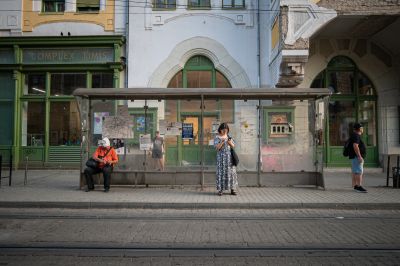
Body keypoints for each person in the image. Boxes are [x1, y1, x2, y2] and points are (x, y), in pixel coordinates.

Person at [214, 122, 238, 196]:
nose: (225, 131)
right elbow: (217, 148)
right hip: (221, 159)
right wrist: (222, 141)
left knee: (231, 173)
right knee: (221, 173)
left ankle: (232, 189)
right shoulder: (217, 138)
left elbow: (233, 146)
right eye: (223, 129)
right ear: (220, 130)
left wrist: (229, 142)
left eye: (226, 129)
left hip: (229, 159)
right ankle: (220, 190)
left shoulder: (229, 137)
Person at [349, 123, 367, 193]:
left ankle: (356, 185)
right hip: (356, 157)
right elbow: (355, 146)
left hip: (355, 157)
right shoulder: (356, 136)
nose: (362, 129)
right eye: (362, 128)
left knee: (356, 171)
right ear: (359, 129)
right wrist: (359, 156)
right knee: (359, 172)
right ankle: (359, 186)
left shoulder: (355, 135)